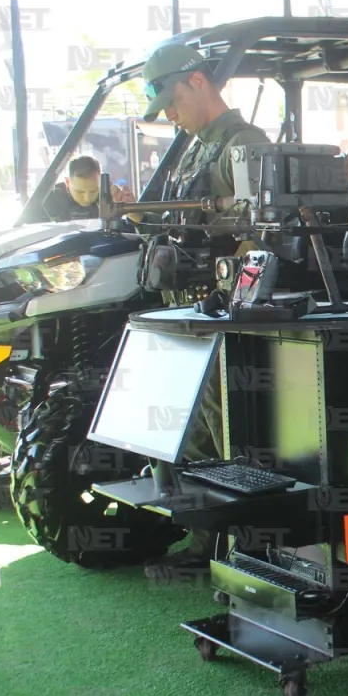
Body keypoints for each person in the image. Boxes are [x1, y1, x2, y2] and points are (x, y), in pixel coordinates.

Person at [137, 42, 271, 581]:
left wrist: (226, 293)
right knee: (188, 426)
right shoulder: (196, 147)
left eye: (172, 102)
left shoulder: (245, 144)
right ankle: (207, 538)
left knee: (225, 430)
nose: (170, 115)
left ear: (197, 81)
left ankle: (243, 546)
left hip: (220, 311)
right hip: (189, 309)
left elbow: (262, 232)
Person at [22, 156, 133, 223]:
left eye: (94, 191)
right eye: (80, 192)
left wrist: (129, 207)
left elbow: (138, 226)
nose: (87, 198)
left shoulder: (110, 195)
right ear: (67, 182)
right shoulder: (49, 199)